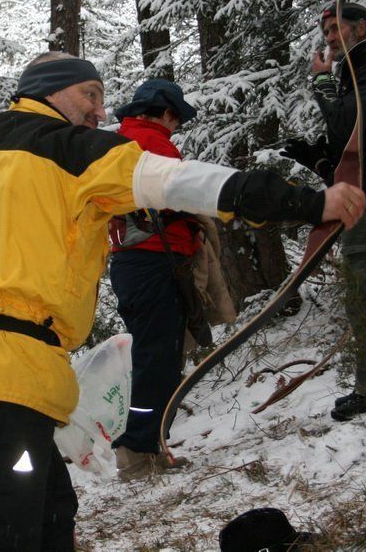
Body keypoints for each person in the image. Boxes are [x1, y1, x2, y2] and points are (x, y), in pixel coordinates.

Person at [0, 51, 366, 550]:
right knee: (5, 534)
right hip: (7, 379)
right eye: (90, 95)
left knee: (50, 513)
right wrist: (309, 203)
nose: (100, 111)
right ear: (50, 91)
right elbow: (180, 182)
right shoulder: (69, 149)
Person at [282, 1, 366, 421]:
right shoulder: (364, 70)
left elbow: (346, 123)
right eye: (327, 32)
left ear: (364, 27)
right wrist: (318, 159)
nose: (331, 38)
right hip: (363, 195)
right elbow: (355, 143)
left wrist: (321, 81)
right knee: (364, 293)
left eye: (337, 29)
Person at [106, 79, 205, 480]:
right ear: (165, 113)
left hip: (135, 264)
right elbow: (180, 195)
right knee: (157, 359)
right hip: (153, 262)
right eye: (176, 118)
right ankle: (136, 449)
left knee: (155, 357)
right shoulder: (153, 143)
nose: (177, 126)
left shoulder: (123, 140)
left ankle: (148, 444)